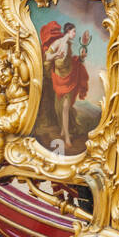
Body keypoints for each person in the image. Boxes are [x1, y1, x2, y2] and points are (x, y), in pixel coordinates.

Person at [40, 20, 91, 150]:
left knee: (65, 107)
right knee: (62, 107)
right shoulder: (58, 43)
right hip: (59, 79)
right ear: (68, 31)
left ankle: (66, 134)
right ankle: (64, 132)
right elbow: (47, 56)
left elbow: (70, 62)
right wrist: (56, 54)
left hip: (69, 77)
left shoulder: (68, 45)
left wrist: (80, 58)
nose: (75, 33)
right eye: (73, 31)